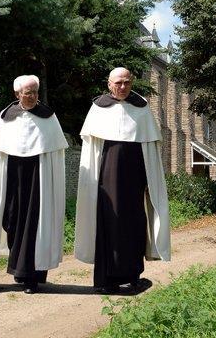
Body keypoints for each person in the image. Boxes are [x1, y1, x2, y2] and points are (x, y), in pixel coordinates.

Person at [74, 67, 170, 294]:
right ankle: (106, 281)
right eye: (118, 83)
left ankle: (133, 276)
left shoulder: (142, 108)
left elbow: (150, 147)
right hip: (105, 180)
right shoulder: (99, 108)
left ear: (132, 82)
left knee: (134, 225)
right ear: (109, 84)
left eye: (127, 82)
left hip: (134, 180)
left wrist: (150, 180)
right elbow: (92, 150)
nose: (123, 87)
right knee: (107, 225)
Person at [0, 75, 68, 293]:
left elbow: (54, 151)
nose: (32, 96)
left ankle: (32, 276)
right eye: (28, 92)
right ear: (17, 94)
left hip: (40, 179)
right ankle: (20, 270)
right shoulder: (6, 117)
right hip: (13, 178)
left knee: (35, 223)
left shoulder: (48, 116)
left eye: (35, 92)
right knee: (12, 220)